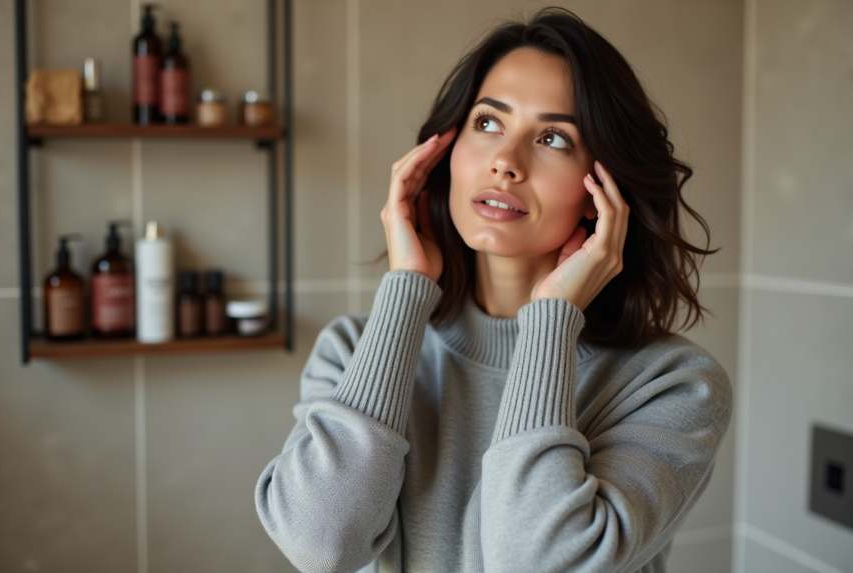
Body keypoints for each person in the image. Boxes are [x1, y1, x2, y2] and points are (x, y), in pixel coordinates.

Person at [256, 7, 732, 573]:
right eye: (487, 123)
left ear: (601, 189)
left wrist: (553, 318)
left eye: (553, 137)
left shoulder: (673, 386)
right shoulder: (354, 350)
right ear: (443, 154)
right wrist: (406, 290)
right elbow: (320, 547)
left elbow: (537, 563)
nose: (506, 161)